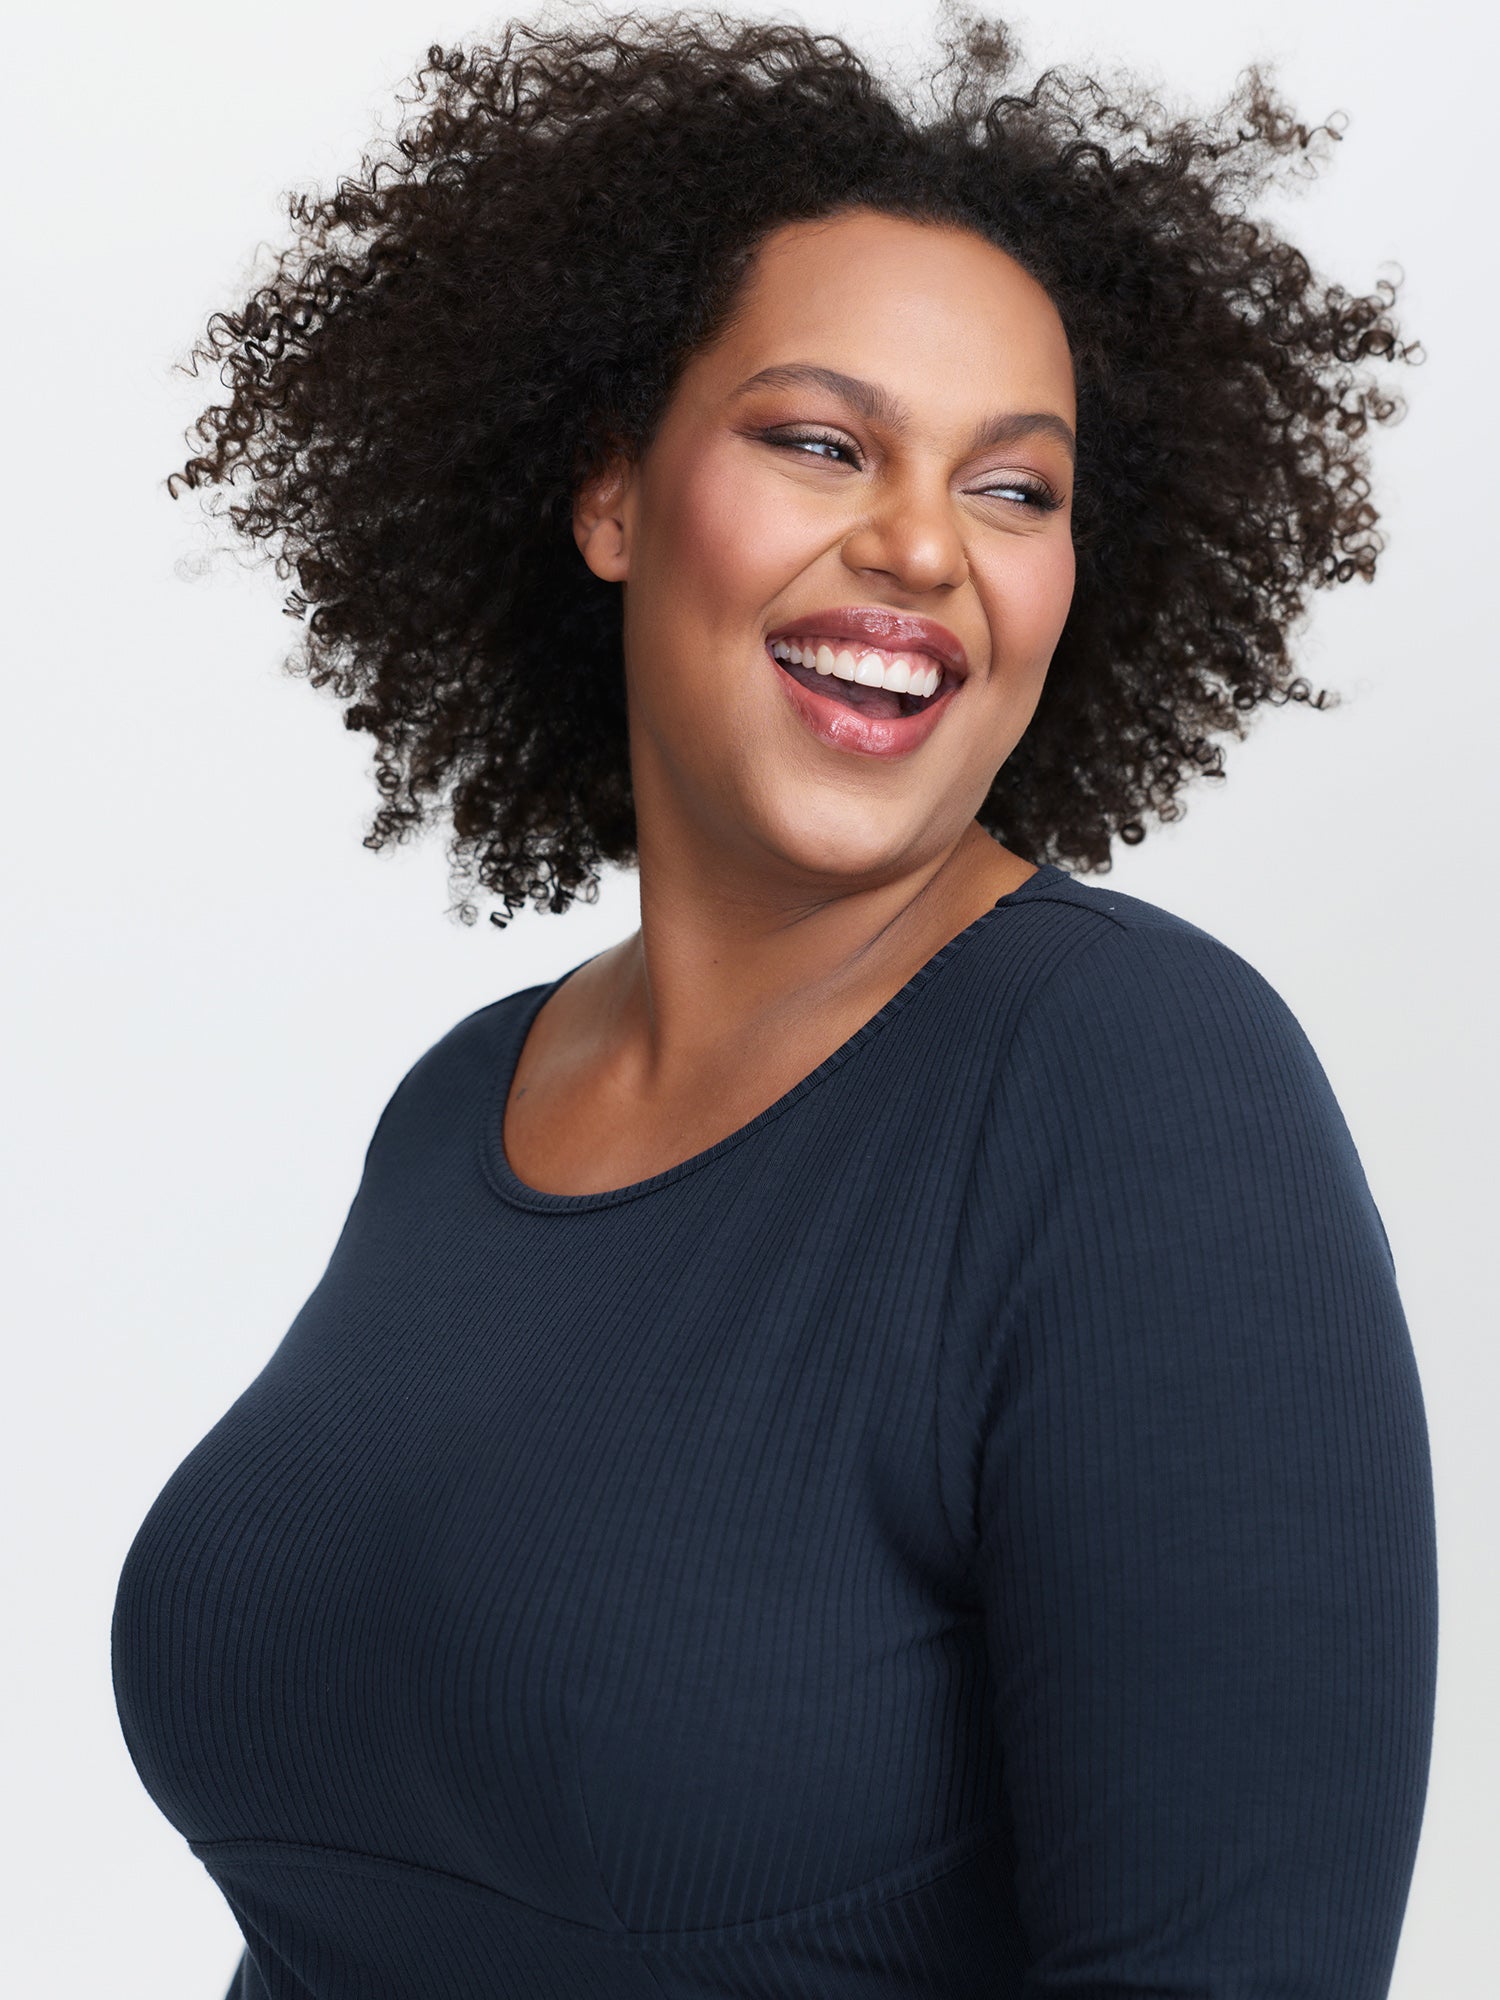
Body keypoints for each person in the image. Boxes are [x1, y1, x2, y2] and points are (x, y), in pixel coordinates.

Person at [110, 9, 1438, 1997]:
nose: (920, 545)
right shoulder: (466, 1102)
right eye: (823, 442)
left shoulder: (1134, 1088)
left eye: (1015, 488)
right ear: (612, 493)